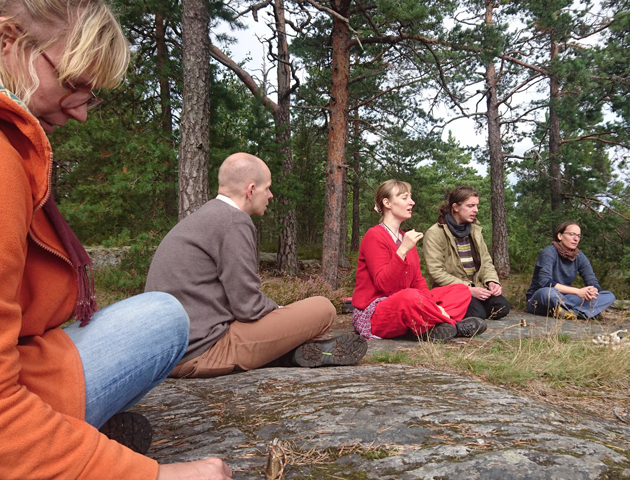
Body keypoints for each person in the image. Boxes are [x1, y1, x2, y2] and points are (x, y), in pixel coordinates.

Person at [0, 1, 232, 478]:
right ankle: (61, 445)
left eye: (92, 93)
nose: (82, 113)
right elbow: (246, 302)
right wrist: (151, 474)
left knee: (167, 315)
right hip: (18, 407)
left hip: (29, 355)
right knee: (167, 317)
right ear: (10, 42)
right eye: (74, 84)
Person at [145, 152, 367, 378]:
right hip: (201, 352)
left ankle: (287, 354)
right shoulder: (234, 221)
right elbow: (248, 306)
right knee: (323, 308)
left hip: (168, 353)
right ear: (251, 190)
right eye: (267, 188)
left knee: (290, 320)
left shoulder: (204, 217)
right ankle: (286, 353)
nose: (270, 195)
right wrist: (279, 311)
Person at [351, 180, 487, 343]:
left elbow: (418, 281)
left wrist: (430, 303)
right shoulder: (374, 236)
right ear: (387, 203)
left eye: (411, 197)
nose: (412, 202)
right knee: (410, 297)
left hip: (408, 305)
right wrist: (402, 251)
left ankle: (425, 327)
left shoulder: (405, 237)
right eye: (404, 197)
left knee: (460, 290)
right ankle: (454, 326)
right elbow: (383, 285)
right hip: (376, 312)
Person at [423, 186, 511, 321]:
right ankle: (445, 310)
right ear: (455, 207)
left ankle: (466, 309)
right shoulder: (435, 233)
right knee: (478, 314)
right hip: (452, 291)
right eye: (470, 206)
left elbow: (486, 262)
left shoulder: (474, 230)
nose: (476, 210)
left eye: (476, 205)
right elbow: (436, 272)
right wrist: (467, 289)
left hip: (477, 287)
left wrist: (492, 281)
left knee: (502, 307)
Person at [525, 221, 616, 320]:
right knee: (548, 292)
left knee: (609, 295)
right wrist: (578, 292)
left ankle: (570, 312)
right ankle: (585, 312)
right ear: (560, 236)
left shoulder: (579, 256)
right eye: (572, 234)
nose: (576, 239)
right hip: (541, 301)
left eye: (578, 236)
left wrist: (592, 291)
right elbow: (545, 282)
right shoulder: (548, 252)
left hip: (566, 299)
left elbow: (593, 282)